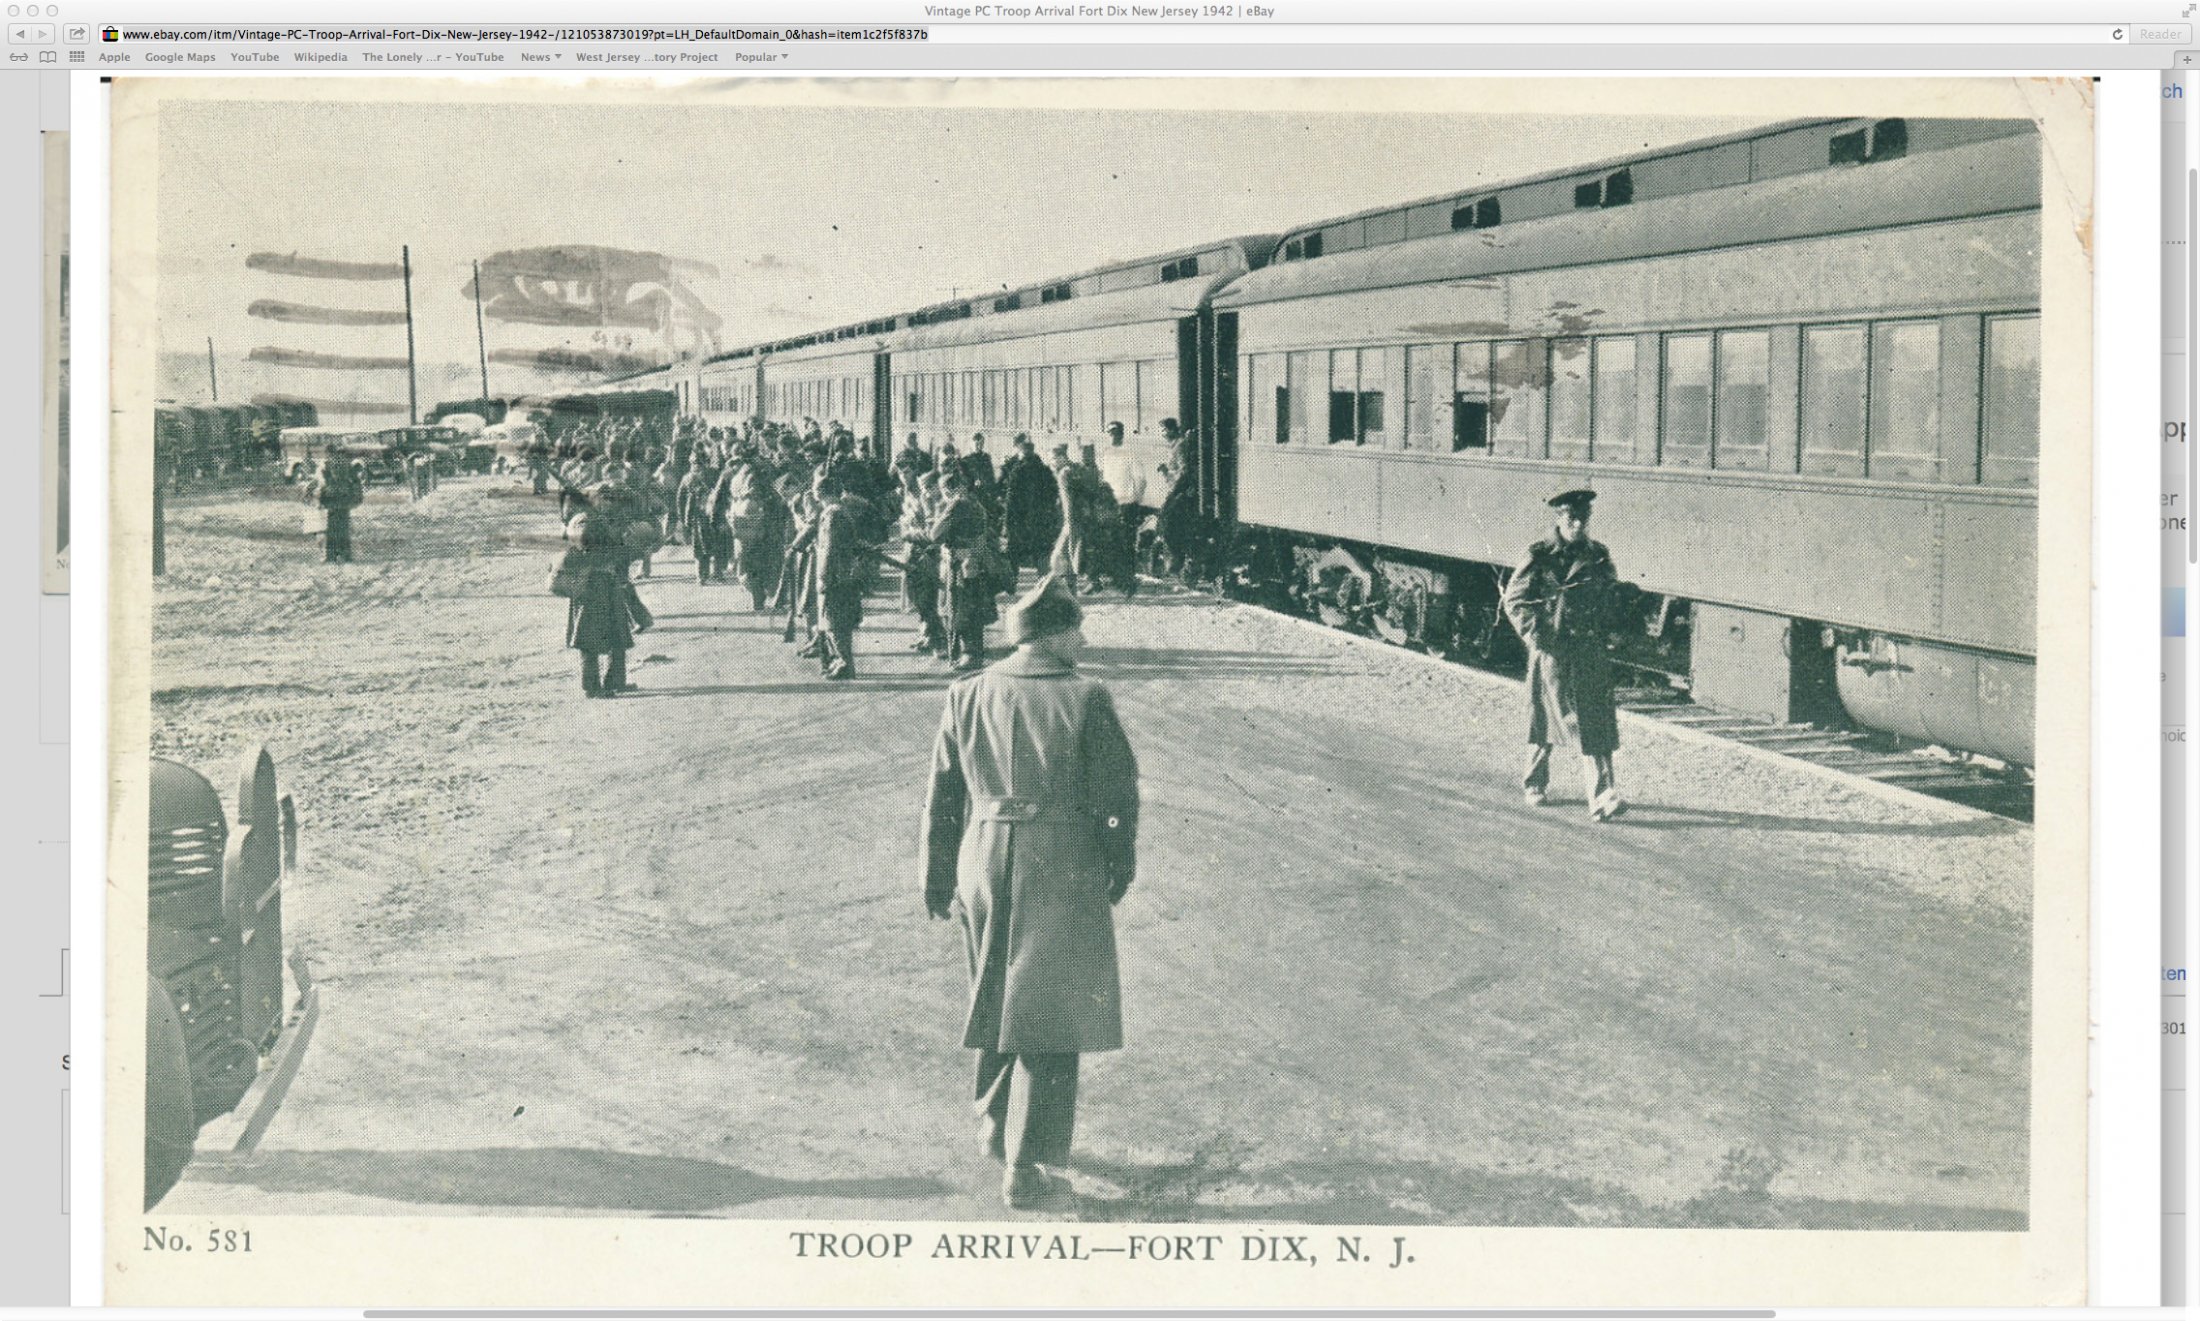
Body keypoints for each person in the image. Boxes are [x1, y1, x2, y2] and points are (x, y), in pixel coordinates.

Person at [920, 573, 1139, 1209]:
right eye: (1077, 630)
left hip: (981, 857)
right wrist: (1117, 861)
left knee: (992, 993)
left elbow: (943, 796)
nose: (1083, 640)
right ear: (1055, 635)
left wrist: (936, 876)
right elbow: (1115, 794)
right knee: (1051, 1013)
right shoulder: (1087, 696)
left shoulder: (965, 693)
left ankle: (992, 1124)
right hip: (1059, 860)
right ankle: (1027, 1162)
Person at [1500, 489, 1625, 821]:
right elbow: (1514, 600)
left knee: (1593, 720)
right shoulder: (1540, 555)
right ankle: (1534, 781)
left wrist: (1613, 626)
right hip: (1554, 651)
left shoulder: (1598, 555)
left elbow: (1610, 595)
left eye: (1584, 518)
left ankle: (1602, 797)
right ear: (1559, 519)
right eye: (1571, 518)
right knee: (1549, 722)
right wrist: (1538, 636)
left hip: (1589, 650)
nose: (1578, 524)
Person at [555, 511, 635, 699]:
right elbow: (620, 555)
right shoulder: (601, 523)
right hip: (603, 585)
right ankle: (597, 686)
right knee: (613, 634)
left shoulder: (576, 524)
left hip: (590, 588)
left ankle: (606, 683)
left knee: (592, 636)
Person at [928, 467, 997, 672]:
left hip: (960, 563)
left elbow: (935, 534)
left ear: (947, 489)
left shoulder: (956, 504)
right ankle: (970, 652)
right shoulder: (975, 502)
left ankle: (970, 655)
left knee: (960, 608)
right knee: (972, 607)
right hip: (975, 561)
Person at [998, 433, 1059, 576]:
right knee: (1041, 552)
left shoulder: (1015, 470)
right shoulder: (1044, 470)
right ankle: (1043, 582)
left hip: (1018, 519)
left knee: (1014, 550)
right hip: (1039, 519)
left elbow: (1009, 498)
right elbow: (1053, 493)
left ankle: (1011, 581)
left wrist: (1006, 522)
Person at [313, 455, 363, 564]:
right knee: (338, 531)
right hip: (337, 505)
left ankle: (335, 555)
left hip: (336, 505)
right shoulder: (341, 470)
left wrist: (319, 500)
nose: (337, 470)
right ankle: (339, 555)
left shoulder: (329, 470)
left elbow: (320, 488)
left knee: (335, 531)